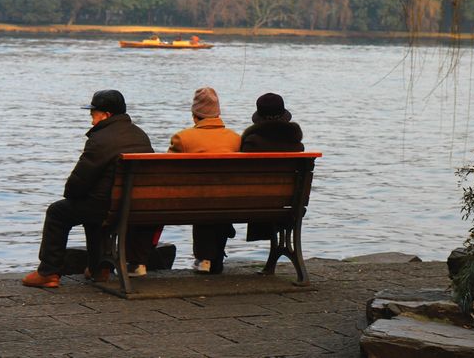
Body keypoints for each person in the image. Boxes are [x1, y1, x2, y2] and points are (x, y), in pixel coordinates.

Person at [22, 89, 153, 288]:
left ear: (106, 115)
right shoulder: (140, 135)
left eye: (93, 115)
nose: (91, 121)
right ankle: (99, 268)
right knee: (95, 209)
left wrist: (71, 195)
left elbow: (79, 181)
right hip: (132, 206)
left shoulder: (101, 139)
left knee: (58, 212)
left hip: (105, 206)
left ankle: (48, 272)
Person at [168, 86, 241, 274]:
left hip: (195, 202)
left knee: (202, 196)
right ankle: (212, 257)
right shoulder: (236, 139)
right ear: (218, 113)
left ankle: (204, 258)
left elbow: (168, 175)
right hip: (233, 203)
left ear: (195, 115)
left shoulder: (182, 138)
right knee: (218, 196)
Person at [240, 92, 304, 241]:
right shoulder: (296, 145)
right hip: (289, 205)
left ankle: (209, 258)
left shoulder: (251, 144)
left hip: (250, 203)